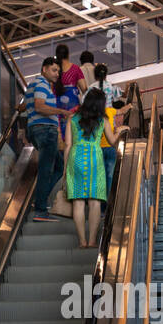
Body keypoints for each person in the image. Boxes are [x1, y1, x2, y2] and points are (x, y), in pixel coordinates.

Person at [64, 89, 121, 248]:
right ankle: (92, 240)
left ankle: (82, 241)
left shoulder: (73, 119)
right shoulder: (103, 120)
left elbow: (68, 145)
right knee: (95, 201)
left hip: (76, 158)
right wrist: (120, 131)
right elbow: (112, 142)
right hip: (95, 158)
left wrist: (65, 169)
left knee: (78, 202)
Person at [27, 57, 66, 221]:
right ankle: (41, 210)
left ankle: (38, 201)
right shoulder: (42, 83)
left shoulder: (33, 84)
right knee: (47, 170)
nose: (57, 74)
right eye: (54, 70)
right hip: (45, 130)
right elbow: (39, 106)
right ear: (44, 69)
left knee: (58, 166)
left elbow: (26, 105)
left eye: (58, 71)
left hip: (36, 129)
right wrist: (62, 112)